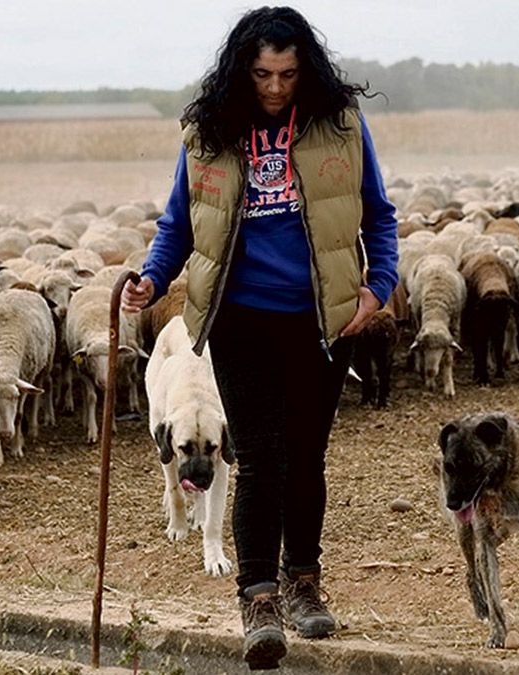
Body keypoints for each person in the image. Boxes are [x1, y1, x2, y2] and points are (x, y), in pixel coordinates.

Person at [122, 6, 398, 670]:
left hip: (320, 318)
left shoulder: (339, 126)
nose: (275, 87)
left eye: (288, 73)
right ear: (242, 70)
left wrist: (377, 288)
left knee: (306, 457)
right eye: (263, 73)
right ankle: (259, 598)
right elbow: (179, 222)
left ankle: (304, 584)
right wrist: (152, 279)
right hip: (241, 319)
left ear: (307, 70)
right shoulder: (209, 132)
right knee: (259, 459)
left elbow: (378, 213)